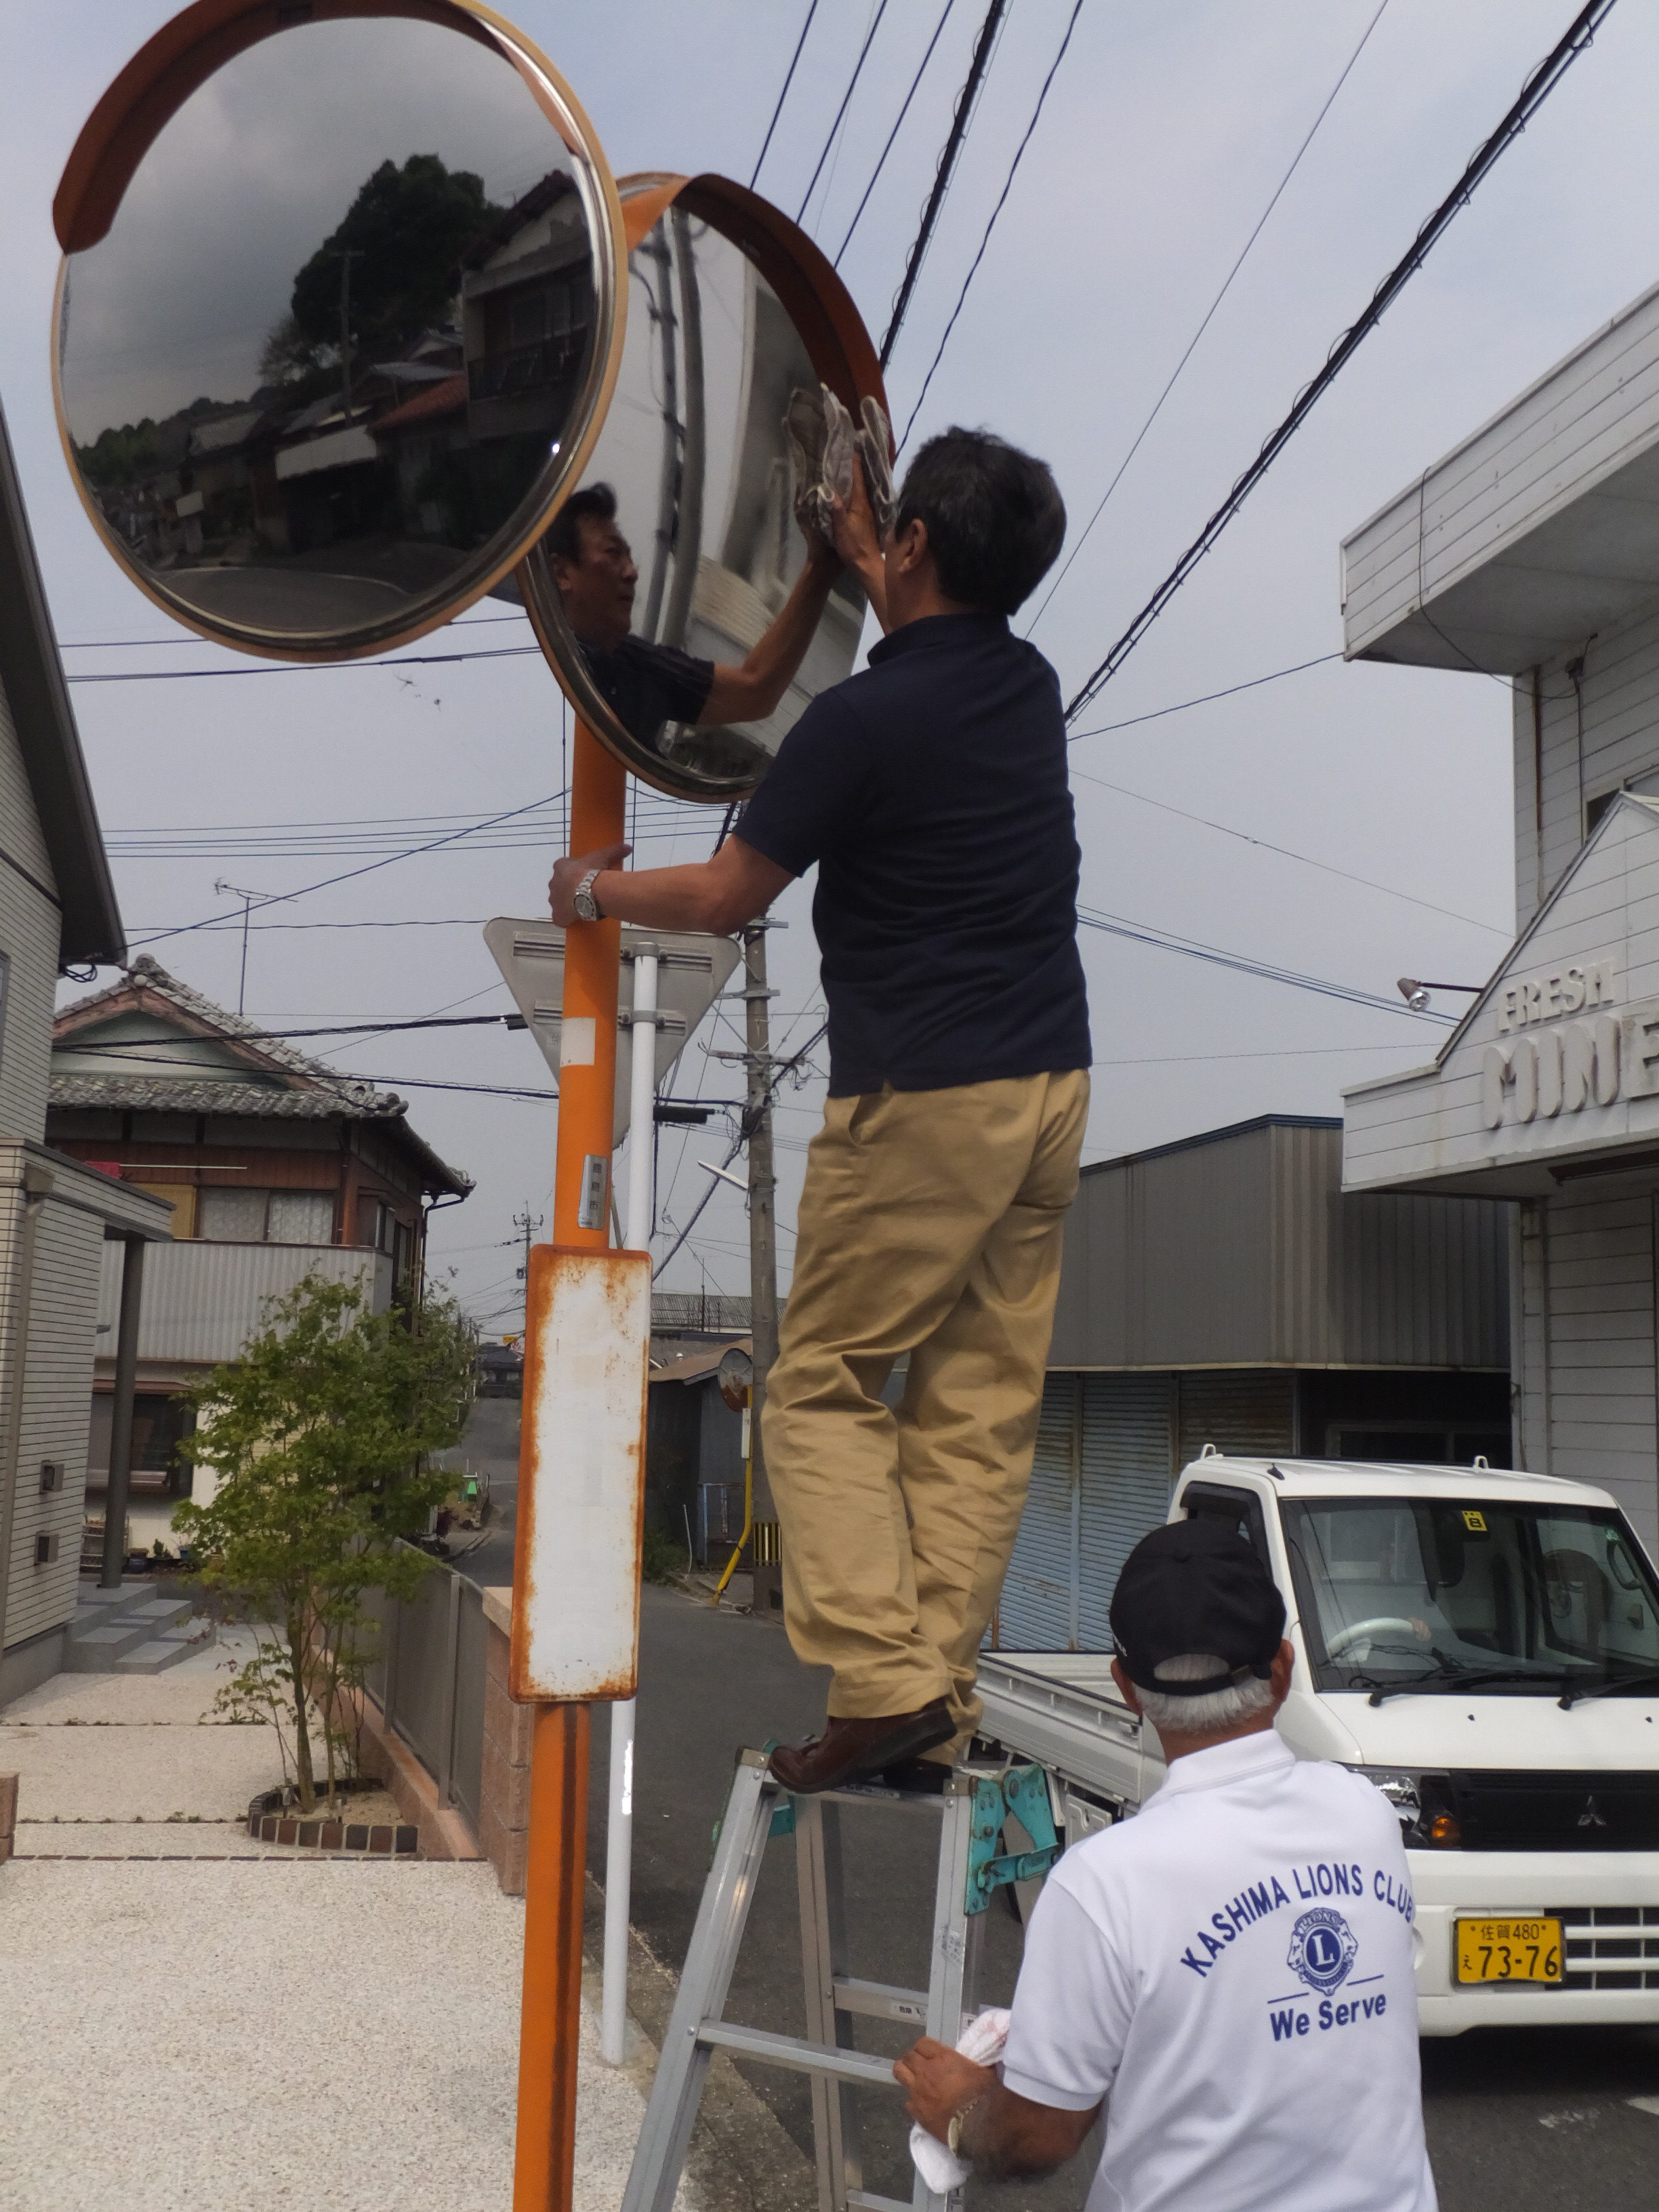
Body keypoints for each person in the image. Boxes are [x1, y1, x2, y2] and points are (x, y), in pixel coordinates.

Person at [548, 426, 1090, 1792]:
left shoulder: (861, 723)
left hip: (928, 1096)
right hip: (1051, 1088)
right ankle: (934, 1708)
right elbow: (925, 625)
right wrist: (861, 552)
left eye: (891, 529)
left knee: (821, 1389)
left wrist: (593, 892)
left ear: (912, 547)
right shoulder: (1026, 686)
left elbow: (730, 898)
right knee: (972, 1410)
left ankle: (888, 1683)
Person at [895, 1519, 1437, 2212]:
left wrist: (961, 2109)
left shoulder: (1105, 1883)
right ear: (1283, 1667)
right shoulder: (1363, 1813)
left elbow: (1037, 2140)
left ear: (1126, 1686)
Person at [546, 481, 841, 743]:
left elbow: (753, 692)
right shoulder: (537, 661)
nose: (632, 572)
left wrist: (821, 566)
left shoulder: (639, 664)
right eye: (612, 554)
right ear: (561, 573)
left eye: (629, 557)